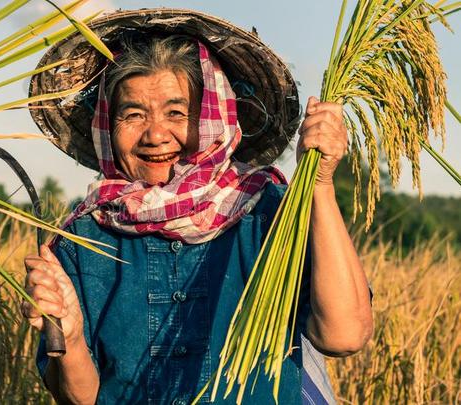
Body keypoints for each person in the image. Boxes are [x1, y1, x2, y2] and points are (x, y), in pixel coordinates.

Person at [21, 9, 373, 405]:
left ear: (212, 116)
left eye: (177, 113)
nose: (155, 134)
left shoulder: (267, 212)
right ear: (108, 124)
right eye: (133, 114)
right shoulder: (83, 237)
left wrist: (321, 184)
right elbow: (79, 398)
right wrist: (68, 336)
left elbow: (343, 336)